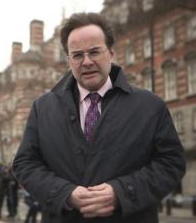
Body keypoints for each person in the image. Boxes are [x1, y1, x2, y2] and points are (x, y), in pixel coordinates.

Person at [12, 12, 186, 223]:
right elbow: (25, 164)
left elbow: (171, 163)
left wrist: (121, 193)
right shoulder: (43, 108)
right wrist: (64, 194)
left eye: (94, 52)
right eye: (77, 55)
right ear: (69, 60)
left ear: (111, 54)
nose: (86, 62)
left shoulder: (150, 106)